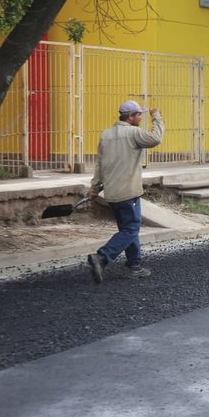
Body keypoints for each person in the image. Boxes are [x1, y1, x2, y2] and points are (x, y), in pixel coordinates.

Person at [87, 100, 165, 283]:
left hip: (112, 193)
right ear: (130, 117)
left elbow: (100, 164)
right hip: (128, 191)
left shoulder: (106, 135)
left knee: (128, 229)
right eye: (139, 115)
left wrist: (94, 188)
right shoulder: (134, 133)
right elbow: (156, 138)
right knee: (131, 229)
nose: (141, 117)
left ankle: (134, 265)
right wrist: (157, 117)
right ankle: (102, 257)